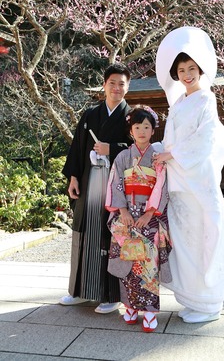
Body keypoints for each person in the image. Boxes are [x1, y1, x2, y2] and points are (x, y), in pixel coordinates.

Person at [154, 26, 224, 324]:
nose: (187, 74)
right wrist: (159, 151)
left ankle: (210, 304)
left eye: (192, 68)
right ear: (175, 74)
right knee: (185, 242)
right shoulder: (178, 102)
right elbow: (172, 140)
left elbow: (205, 139)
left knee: (203, 238)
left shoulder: (206, 99)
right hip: (180, 182)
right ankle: (194, 299)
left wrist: (172, 154)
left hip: (196, 180)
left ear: (201, 70)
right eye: (181, 69)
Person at [59, 63, 132, 314]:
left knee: (111, 235)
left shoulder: (132, 117)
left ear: (127, 87)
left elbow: (139, 147)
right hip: (90, 181)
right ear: (104, 85)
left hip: (116, 187)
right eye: (112, 83)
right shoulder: (91, 114)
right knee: (84, 232)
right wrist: (73, 177)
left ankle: (112, 294)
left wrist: (111, 148)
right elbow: (78, 147)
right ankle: (80, 291)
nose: (116, 88)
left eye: (121, 84)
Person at [105, 106, 172, 332]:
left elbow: (162, 186)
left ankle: (150, 310)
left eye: (146, 126)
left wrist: (149, 213)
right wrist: (122, 211)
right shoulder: (123, 156)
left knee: (148, 264)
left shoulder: (157, 157)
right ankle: (130, 306)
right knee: (128, 262)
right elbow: (115, 183)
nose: (142, 131)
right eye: (137, 127)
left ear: (153, 130)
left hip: (149, 216)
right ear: (131, 131)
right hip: (126, 217)